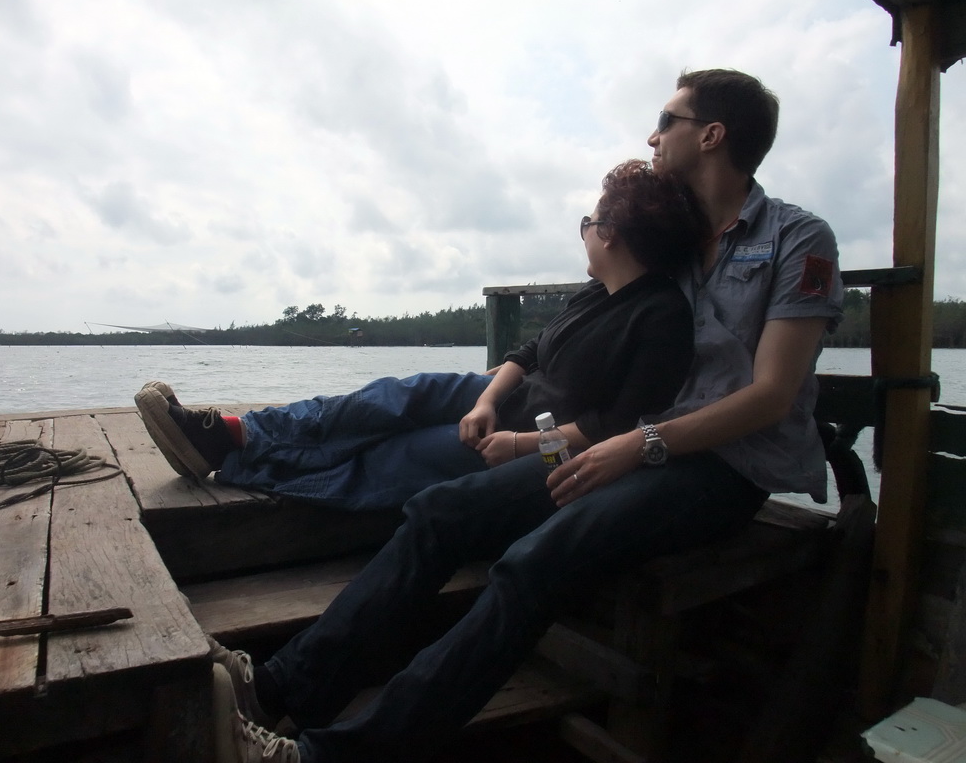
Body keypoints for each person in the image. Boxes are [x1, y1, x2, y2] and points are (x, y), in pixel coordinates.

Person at [205, 68, 844, 763]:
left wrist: (635, 444)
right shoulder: (678, 241)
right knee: (441, 512)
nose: (653, 136)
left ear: (713, 135)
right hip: (630, 445)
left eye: (669, 121)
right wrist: (556, 423)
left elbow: (771, 396)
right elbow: (600, 326)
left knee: (534, 564)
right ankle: (281, 689)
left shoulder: (798, 238)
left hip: (719, 466)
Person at [136, 159, 707, 511]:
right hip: (505, 403)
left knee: (395, 455)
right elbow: (528, 352)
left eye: (589, 223)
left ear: (611, 236)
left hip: (540, 447)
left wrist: (521, 446)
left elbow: (617, 429)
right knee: (394, 396)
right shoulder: (599, 292)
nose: (582, 233)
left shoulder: (659, 319)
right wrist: (486, 397)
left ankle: (236, 465)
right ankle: (237, 433)